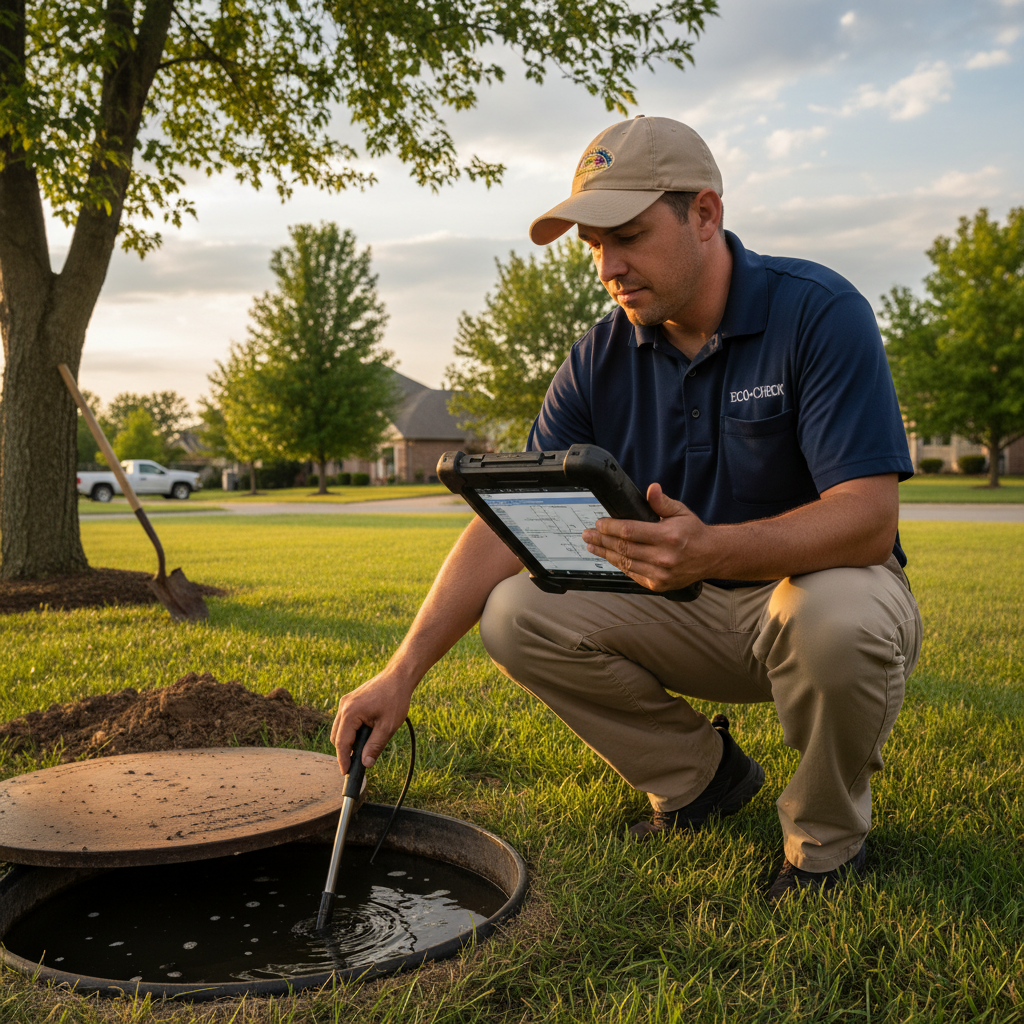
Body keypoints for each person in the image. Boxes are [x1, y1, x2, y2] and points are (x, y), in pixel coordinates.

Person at [331, 115, 923, 902]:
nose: (609, 265)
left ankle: (823, 843)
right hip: (686, 607)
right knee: (514, 611)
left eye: (630, 236)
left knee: (836, 614)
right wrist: (402, 673)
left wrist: (711, 548)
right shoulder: (598, 357)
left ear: (705, 214)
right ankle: (698, 780)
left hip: (815, 594)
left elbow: (867, 520)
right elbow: (503, 524)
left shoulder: (818, 312)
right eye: (593, 245)